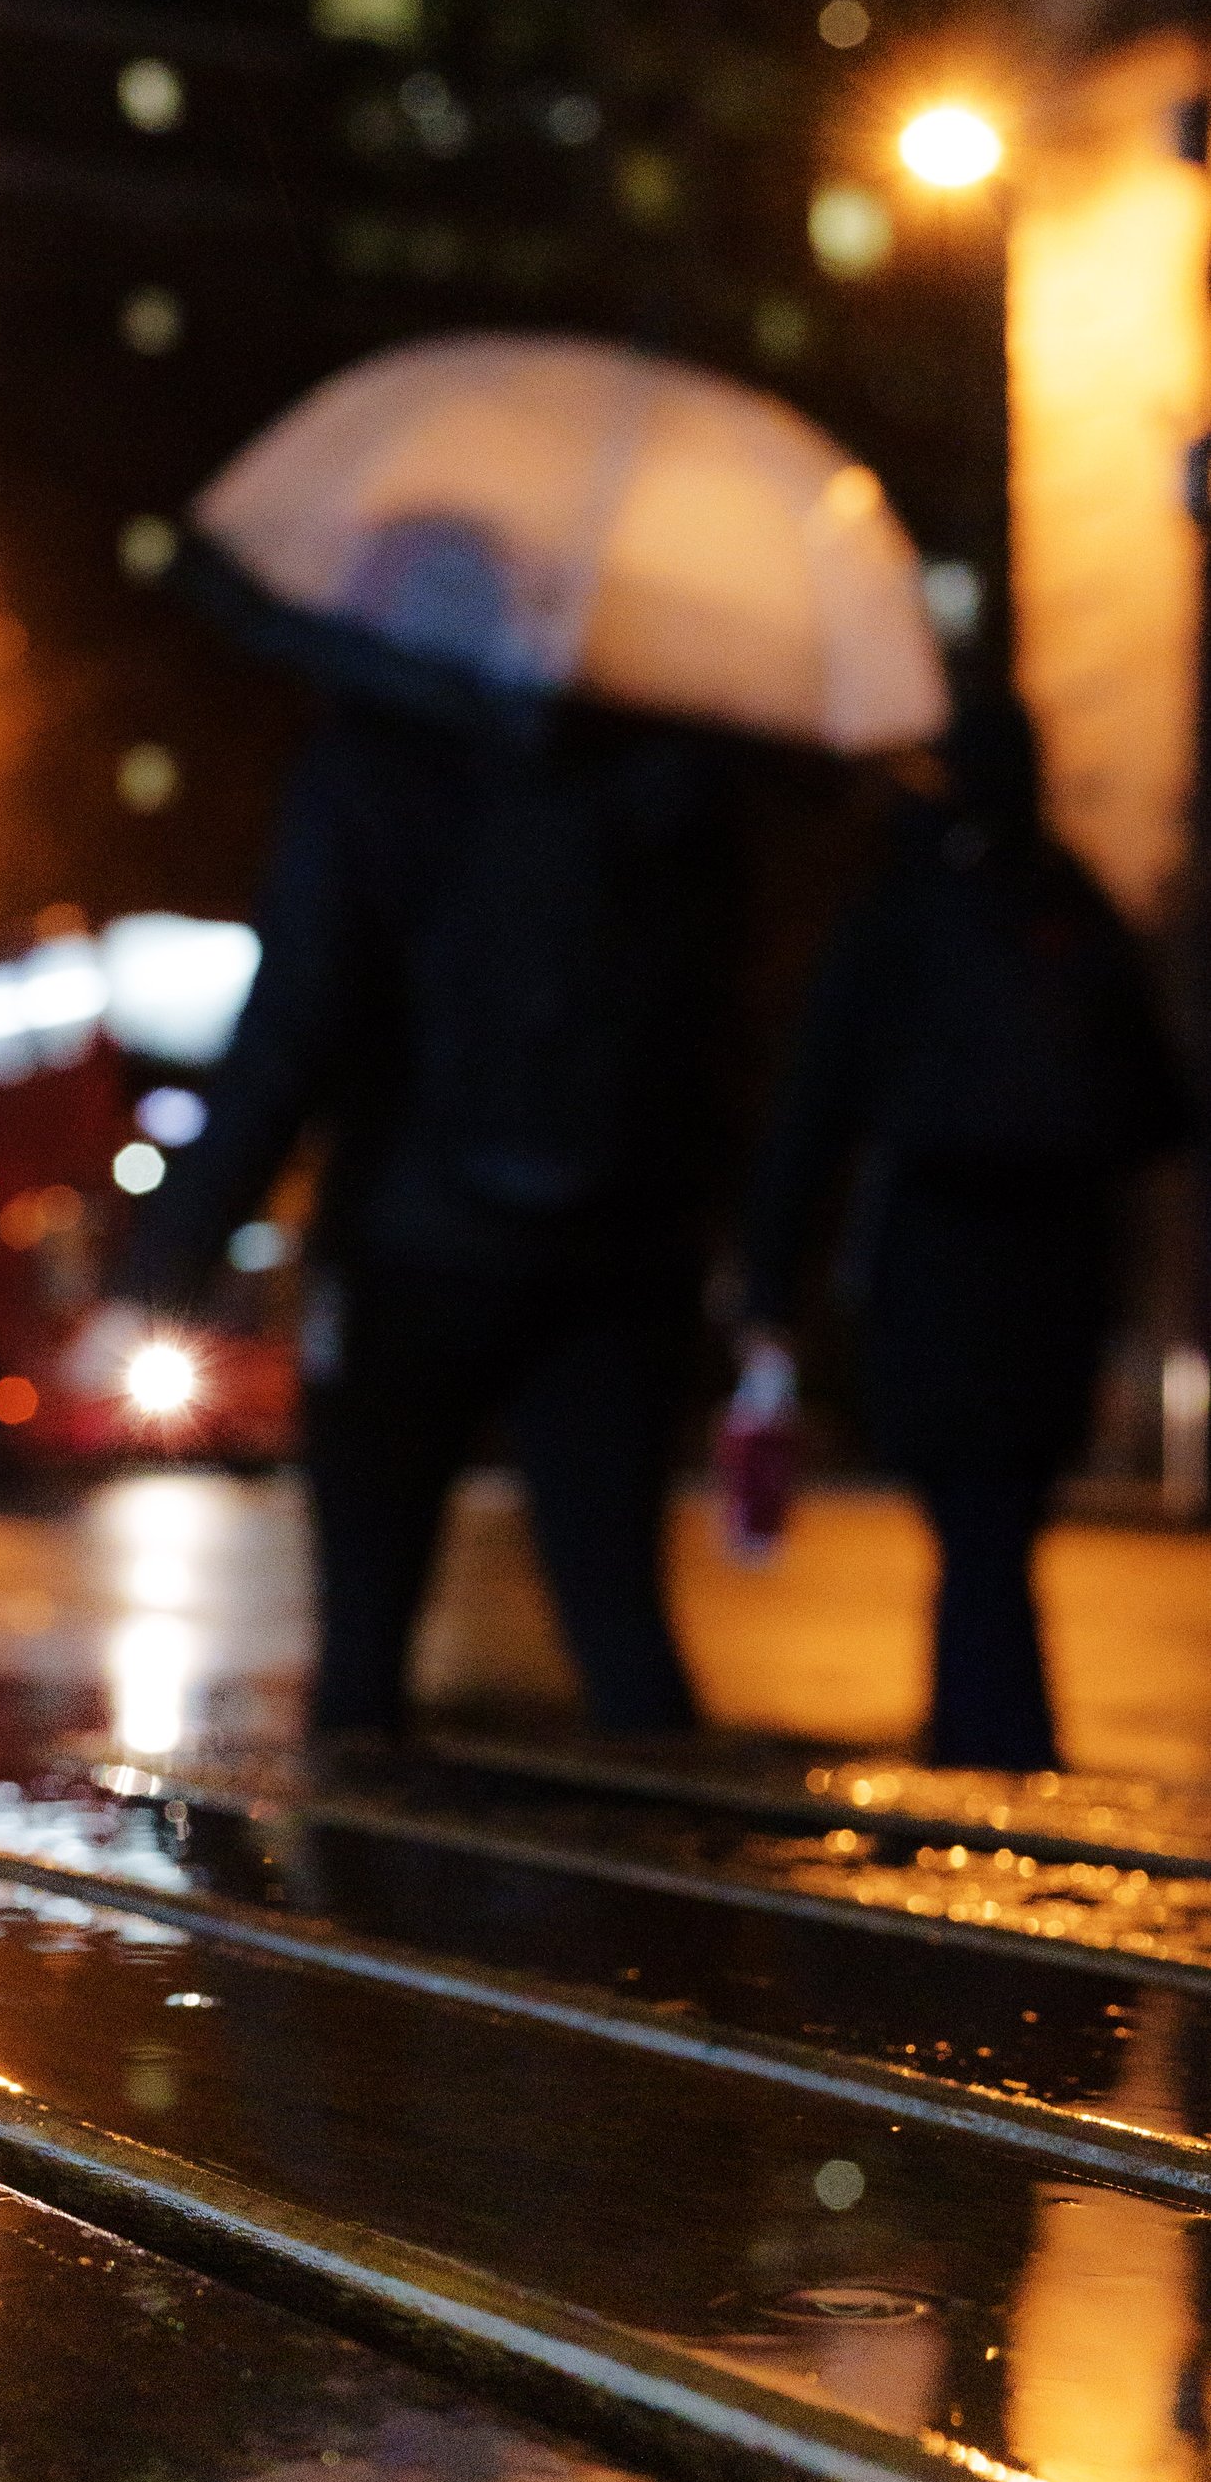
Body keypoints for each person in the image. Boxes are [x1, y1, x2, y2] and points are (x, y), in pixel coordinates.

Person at [117, 691, 739, 1741]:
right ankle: (693, 1891)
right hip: (617, 1253)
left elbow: (294, 1020)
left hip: (409, 1247)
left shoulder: (377, 752)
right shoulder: (664, 759)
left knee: (367, 1631)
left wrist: (179, 1243)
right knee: (621, 1620)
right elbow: (718, 1023)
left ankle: (346, 1892)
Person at [739, 696, 1191, 1770]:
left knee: (970, 1527)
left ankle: (987, 1746)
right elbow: (1156, 1101)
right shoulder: (1066, 902)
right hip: (1057, 1266)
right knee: (1004, 1524)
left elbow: (812, 1106)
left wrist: (769, 1287)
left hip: (933, 1262)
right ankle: (999, 1735)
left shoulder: (901, 909)